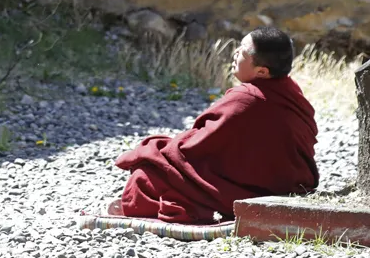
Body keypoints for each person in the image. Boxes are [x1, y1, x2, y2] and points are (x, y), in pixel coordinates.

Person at [110, 27, 319, 224]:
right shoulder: (292, 92)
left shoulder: (245, 99)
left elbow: (197, 145)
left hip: (257, 188)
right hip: (294, 182)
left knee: (147, 174)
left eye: (243, 52)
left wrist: (155, 149)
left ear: (262, 72)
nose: (235, 53)